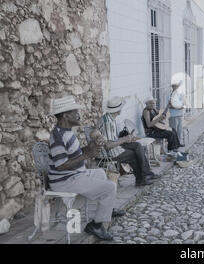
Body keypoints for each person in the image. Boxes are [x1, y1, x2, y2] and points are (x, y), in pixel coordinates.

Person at [48, 96, 125, 241]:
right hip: (65, 180)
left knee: (101, 173)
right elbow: (60, 165)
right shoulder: (58, 136)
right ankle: (95, 225)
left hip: (74, 174)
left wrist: (89, 148)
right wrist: (87, 154)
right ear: (65, 115)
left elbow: (73, 154)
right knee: (109, 188)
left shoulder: (67, 131)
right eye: (75, 112)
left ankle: (105, 210)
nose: (79, 115)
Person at [98, 96, 160, 187]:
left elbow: (112, 138)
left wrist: (127, 138)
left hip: (113, 147)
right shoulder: (108, 122)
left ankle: (146, 175)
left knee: (137, 146)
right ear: (118, 110)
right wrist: (124, 139)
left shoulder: (109, 118)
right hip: (108, 152)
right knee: (133, 153)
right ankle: (142, 178)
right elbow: (108, 145)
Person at [168, 81, 186, 146]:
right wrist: (177, 106)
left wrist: (177, 106)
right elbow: (170, 105)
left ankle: (179, 142)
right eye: (174, 86)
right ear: (172, 87)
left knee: (180, 130)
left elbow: (183, 104)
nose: (175, 88)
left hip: (180, 114)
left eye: (176, 86)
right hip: (173, 115)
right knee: (174, 130)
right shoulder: (170, 94)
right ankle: (174, 143)